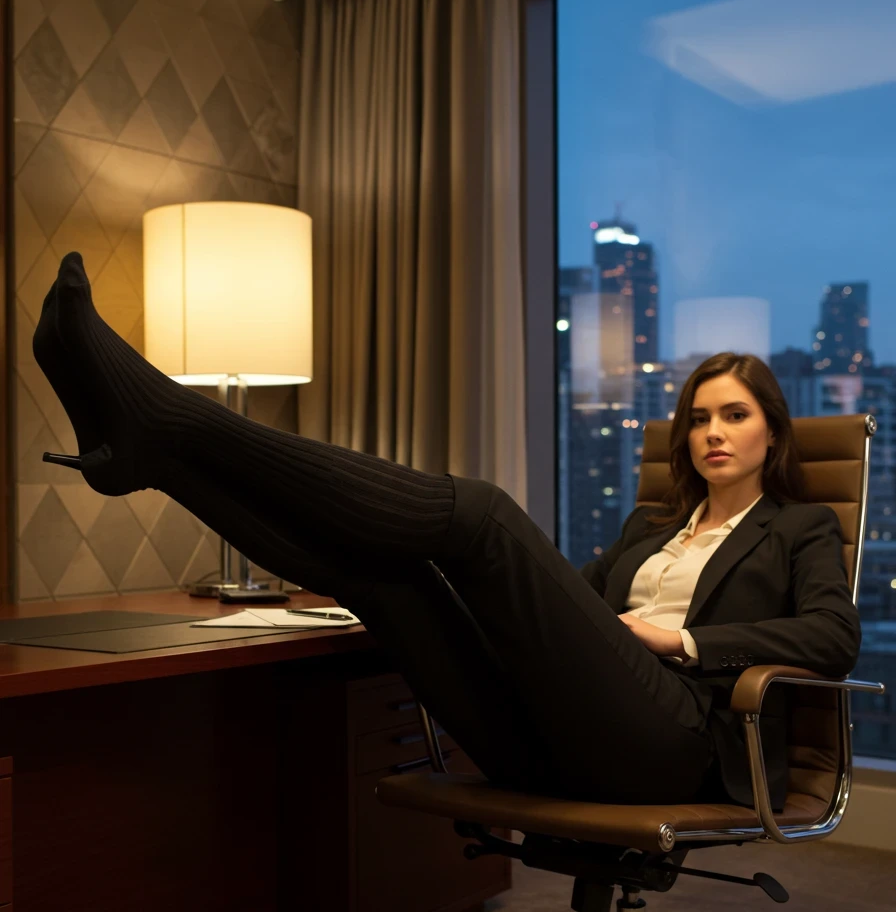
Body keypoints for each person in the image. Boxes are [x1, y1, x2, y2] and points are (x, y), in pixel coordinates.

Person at [33, 252, 861, 810]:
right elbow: (565, 606)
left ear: (773, 435)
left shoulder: (800, 527)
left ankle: (167, 420)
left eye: (735, 415)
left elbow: (833, 635)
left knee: (488, 514)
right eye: (697, 418)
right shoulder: (653, 526)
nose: (712, 431)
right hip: (554, 732)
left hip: (684, 743)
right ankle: (160, 461)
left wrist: (675, 641)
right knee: (389, 582)